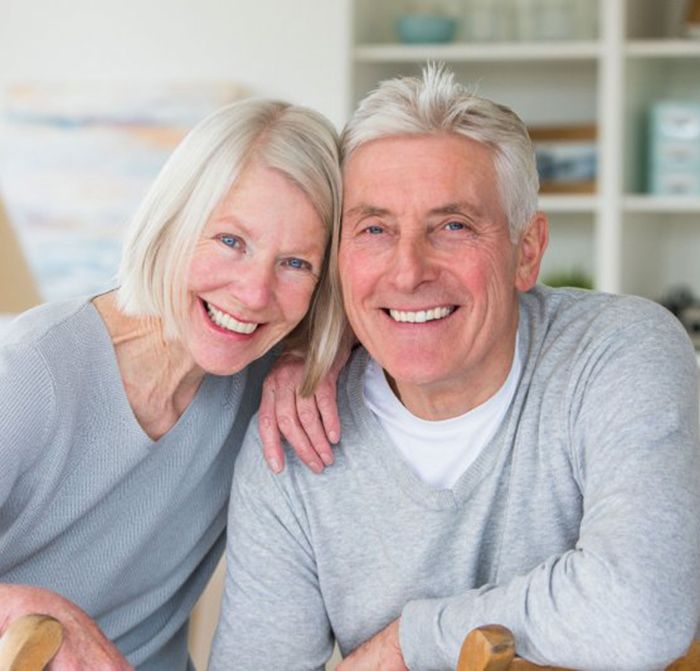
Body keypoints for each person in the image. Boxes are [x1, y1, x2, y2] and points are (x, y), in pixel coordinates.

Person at [209, 65, 700, 671]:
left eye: (453, 226)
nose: (409, 271)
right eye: (374, 229)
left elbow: (638, 614)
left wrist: (411, 641)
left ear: (527, 252)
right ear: (339, 258)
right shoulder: (294, 435)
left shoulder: (617, 353)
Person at [0, 98, 342, 670]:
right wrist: (25, 608)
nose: (254, 294)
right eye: (231, 241)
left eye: (295, 264)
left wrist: (317, 352)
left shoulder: (266, 381)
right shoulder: (33, 372)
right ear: (173, 221)